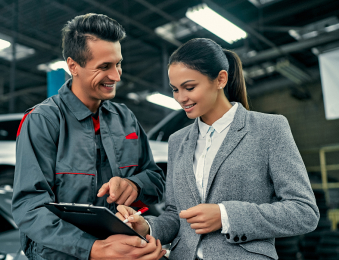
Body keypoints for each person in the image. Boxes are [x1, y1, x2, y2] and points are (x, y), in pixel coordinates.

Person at [116, 38, 320, 260]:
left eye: (190, 87)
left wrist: (226, 216)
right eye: (175, 89)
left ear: (220, 79)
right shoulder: (177, 141)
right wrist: (145, 225)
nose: (181, 98)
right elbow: (176, 215)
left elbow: (304, 212)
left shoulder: (269, 129)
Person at [12, 13, 166, 260]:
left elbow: (156, 180)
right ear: (73, 66)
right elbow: (29, 208)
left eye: (118, 64)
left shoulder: (125, 118)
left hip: (120, 248)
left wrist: (134, 185)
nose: (116, 76)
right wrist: (93, 249)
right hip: (61, 254)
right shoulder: (44, 121)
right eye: (104, 67)